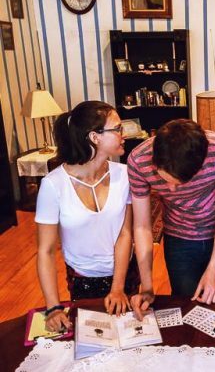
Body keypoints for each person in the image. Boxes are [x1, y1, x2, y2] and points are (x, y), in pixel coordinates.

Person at [36, 101, 139, 332]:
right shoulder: (53, 185)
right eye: (118, 128)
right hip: (82, 280)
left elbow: (125, 234)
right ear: (95, 137)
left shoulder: (125, 175)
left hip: (124, 276)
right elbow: (46, 251)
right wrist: (53, 307)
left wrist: (118, 287)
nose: (124, 134)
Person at [128, 120, 215, 319]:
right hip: (177, 235)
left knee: (212, 301)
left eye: (180, 182)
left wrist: (214, 270)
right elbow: (142, 226)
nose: (171, 190)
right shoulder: (138, 160)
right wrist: (146, 286)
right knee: (185, 303)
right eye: (164, 180)